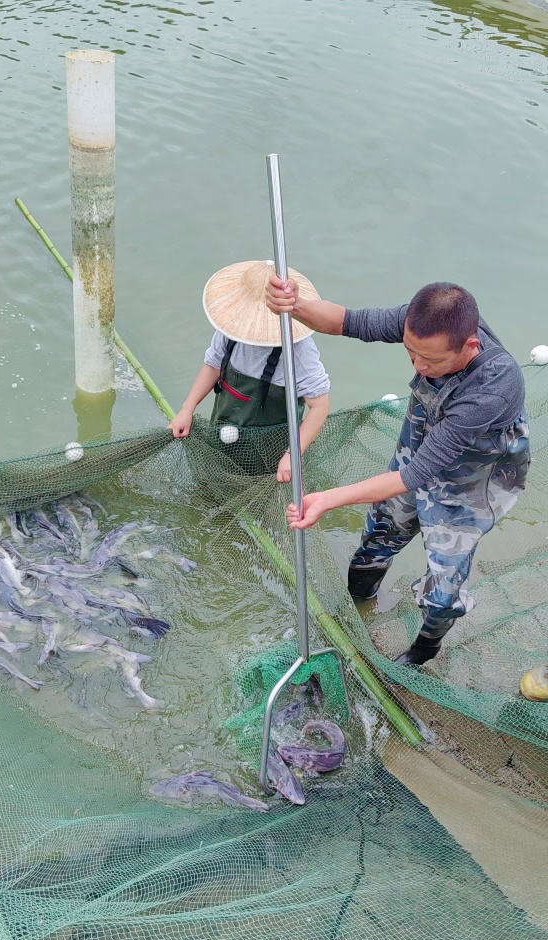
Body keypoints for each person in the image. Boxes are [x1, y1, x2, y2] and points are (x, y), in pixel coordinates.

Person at [266, 275, 530, 666]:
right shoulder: (424, 322)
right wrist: (294, 304)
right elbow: (344, 321)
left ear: (471, 346)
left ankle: (424, 649)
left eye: (432, 361)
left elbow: (413, 477)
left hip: (473, 475)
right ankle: (359, 603)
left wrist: (326, 500)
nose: (420, 367)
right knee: (380, 533)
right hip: (424, 440)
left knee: (443, 594)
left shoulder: (494, 389)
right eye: (411, 354)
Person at [168, 260, 330, 482]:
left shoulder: (298, 348)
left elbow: (320, 407)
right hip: (222, 435)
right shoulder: (231, 325)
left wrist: (292, 455)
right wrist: (187, 410)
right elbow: (213, 365)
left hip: (272, 457)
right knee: (211, 489)